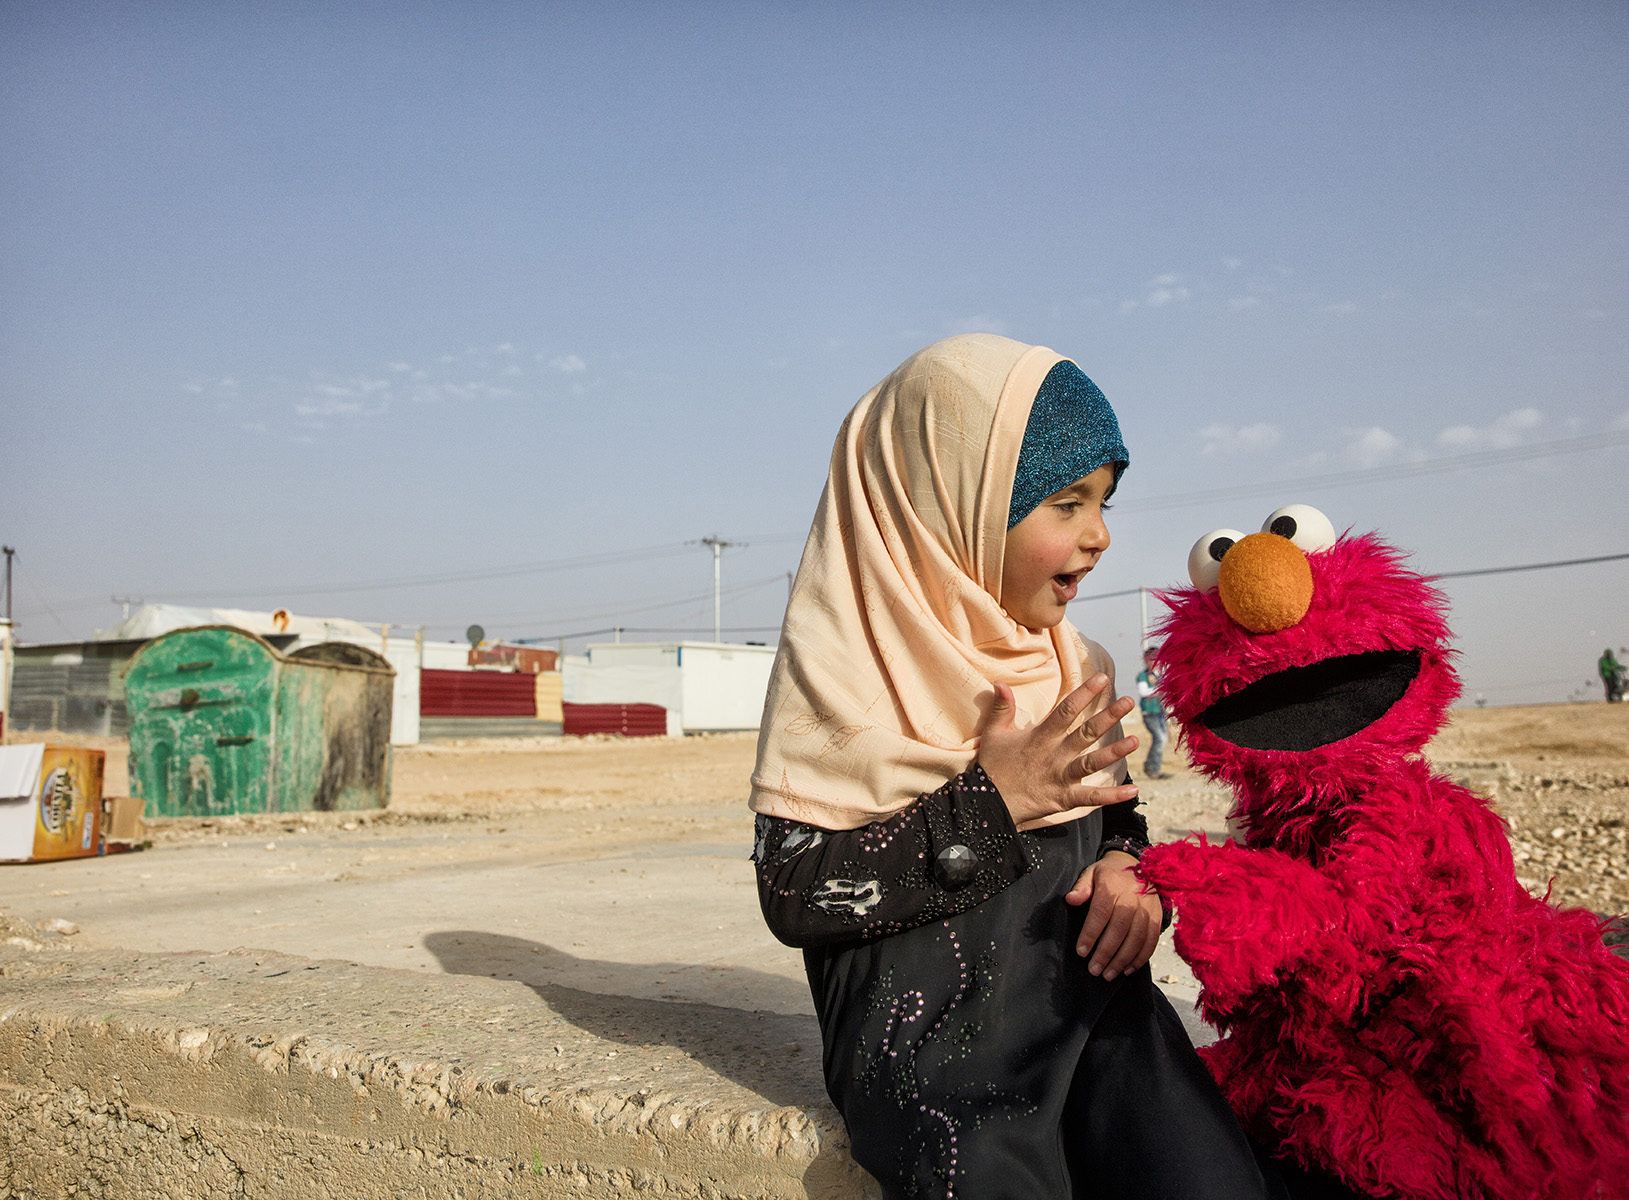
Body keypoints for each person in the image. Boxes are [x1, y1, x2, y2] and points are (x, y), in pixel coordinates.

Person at [750, 335, 1292, 1199]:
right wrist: (990, 802)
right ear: (946, 502)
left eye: (1104, 503)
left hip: (1100, 1017)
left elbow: (1116, 812)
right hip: (939, 1057)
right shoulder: (842, 671)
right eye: (1066, 504)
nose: (1100, 535)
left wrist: (1128, 867)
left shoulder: (1073, 664)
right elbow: (793, 891)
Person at [1136, 645, 1171, 779]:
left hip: (1160, 712)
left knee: (1162, 740)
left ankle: (1152, 767)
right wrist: (1160, 690)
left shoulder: (1159, 676)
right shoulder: (1143, 676)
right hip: (1149, 713)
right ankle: (1152, 768)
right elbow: (1143, 692)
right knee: (1160, 739)